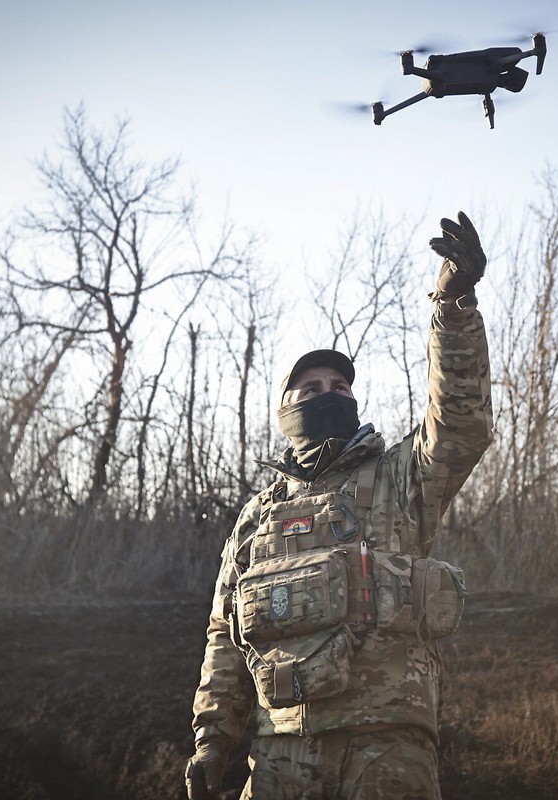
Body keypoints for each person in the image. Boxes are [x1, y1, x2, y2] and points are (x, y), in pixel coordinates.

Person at [185, 212, 494, 800]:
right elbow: (226, 635)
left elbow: (461, 423)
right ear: (287, 412)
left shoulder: (401, 479)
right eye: (312, 390)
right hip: (281, 749)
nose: (331, 395)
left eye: (341, 387)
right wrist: (211, 742)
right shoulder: (256, 518)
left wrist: (453, 309)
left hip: (386, 744)